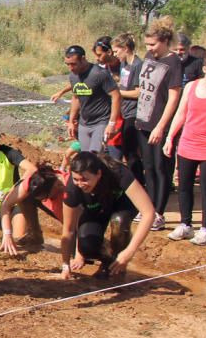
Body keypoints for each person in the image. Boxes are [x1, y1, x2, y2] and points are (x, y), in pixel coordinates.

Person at [60, 151, 154, 279]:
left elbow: (149, 213)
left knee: (119, 222)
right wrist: (66, 266)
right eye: (76, 179)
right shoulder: (72, 189)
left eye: (85, 179)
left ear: (98, 174)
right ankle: (109, 260)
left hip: (122, 203)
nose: (80, 184)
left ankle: (117, 267)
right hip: (95, 207)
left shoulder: (118, 172)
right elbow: (68, 231)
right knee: (86, 247)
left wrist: (129, 252)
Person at [135, 18, 183, 232]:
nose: (149, 49)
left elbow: (173, 98)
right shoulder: (148, 57)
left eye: (153, 45)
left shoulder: (173, 63)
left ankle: (159, 213)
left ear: (164, 41)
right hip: (143, 120)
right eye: (147, 45)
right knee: (148, 167)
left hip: (159, 123)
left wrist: (161, 127)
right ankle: (149, 208)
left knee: (161, 168)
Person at [163, 56, 206, 245]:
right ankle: (185, 224)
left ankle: (205, 228)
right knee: (184, 187)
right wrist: (170, 137)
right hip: (187, 143)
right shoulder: (191, 86)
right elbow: (181, 113)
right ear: (205, 68)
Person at [0, 164, 70, 256]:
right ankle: (34, 235)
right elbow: (5, 205)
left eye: (44, 198)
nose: (42, 201)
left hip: (78, 215)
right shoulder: (33, 181)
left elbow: (72, 226)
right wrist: (7, 234)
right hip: (54, 199)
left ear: (57, 186)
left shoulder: (69, 190)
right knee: (25, 197)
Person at [64, 45, 121, 153]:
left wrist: (112, 123)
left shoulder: (99, 73)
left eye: (73, 64)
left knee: (94, 157)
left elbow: (116, 96)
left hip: (101, 121)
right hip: (84, 123)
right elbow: (76, 98)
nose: (71, 68)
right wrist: (71, 121)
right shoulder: (73, 76)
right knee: (86, 159)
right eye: (68, 64)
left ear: (83, 59)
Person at [110, 33, 144, 180]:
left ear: (125, 48)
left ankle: (137, 181)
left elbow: (138, 92)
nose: (115, 55)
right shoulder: (124, 64)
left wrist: (118, 92)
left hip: (133, 112)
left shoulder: (138, 65)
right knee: (126, 149)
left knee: (131, 151)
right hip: (124, 110)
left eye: (117, 51)